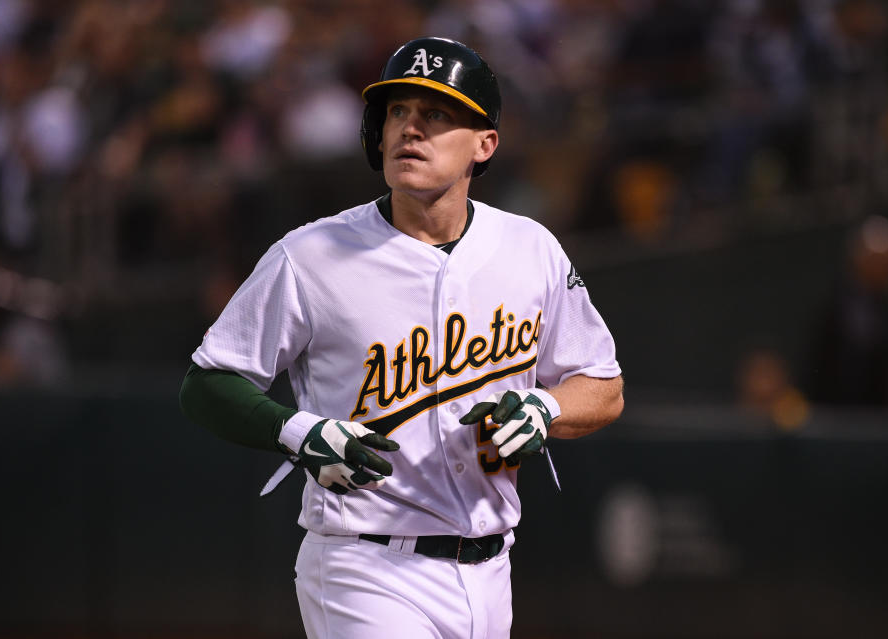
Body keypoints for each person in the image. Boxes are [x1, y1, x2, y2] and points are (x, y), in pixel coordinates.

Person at [179, 37, 624, 639]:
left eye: (435, 114)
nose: (408, 129)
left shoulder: (532, 249)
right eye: (396, 113)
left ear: (484, 144)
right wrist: (296, 429)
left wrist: (547, 407)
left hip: (492, 570)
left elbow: (603, 384)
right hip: (363, 562)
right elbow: (207, 383)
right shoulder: (310, 255)